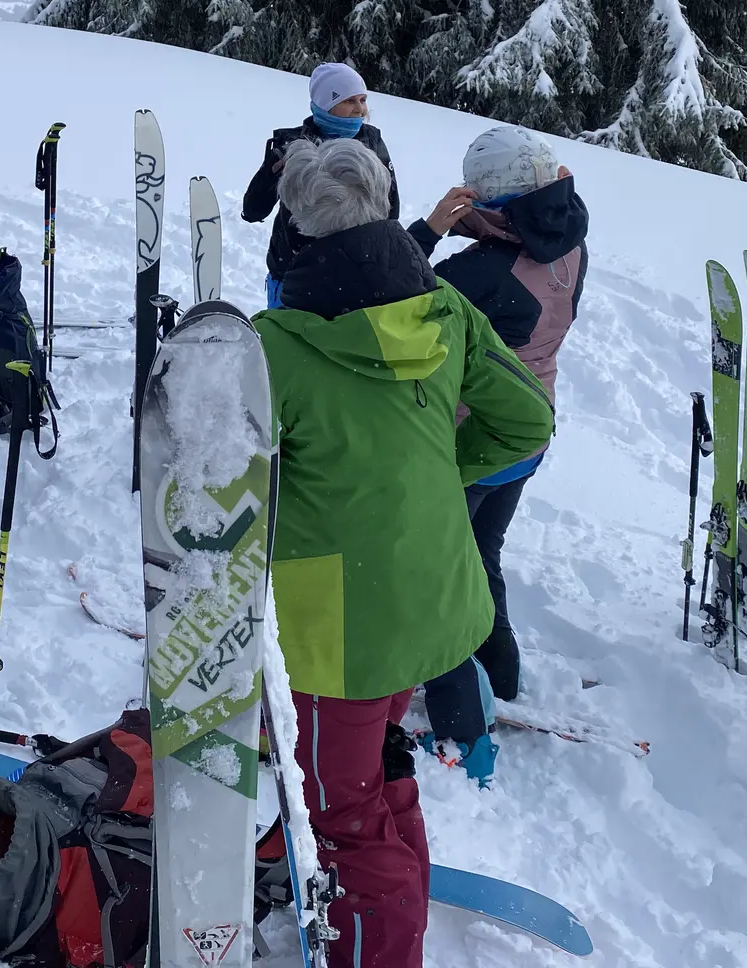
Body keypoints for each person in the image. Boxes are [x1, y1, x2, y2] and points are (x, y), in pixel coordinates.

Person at [254, 139, 554, 968]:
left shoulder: (275, 345)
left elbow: (230, 494)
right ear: (388, 207)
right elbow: (528, 421)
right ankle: (382, 890)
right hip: (430, 600)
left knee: (339, 811)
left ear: (298, 223)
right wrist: (428, 478)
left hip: (336, 630)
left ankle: (380, 944)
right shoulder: (445, 311)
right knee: (375, 768)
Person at [407, 126, 588, 775]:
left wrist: (430, 229)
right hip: (529, 427)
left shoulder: (476, 273)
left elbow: (382, 289)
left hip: (473, 438)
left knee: (439, 571)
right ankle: (501, 675)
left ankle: (459, 709)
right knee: (479, 554)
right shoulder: (572, 238)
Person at [243, 62, 399, 308]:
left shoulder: (372, 142)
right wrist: (270, 173)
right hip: (294, 273)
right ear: (326, 104)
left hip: (354, 276)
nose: (360, 109)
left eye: (363, 99)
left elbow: (390, 211)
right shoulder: (292, 145)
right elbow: (253, 210)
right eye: (349, 101)